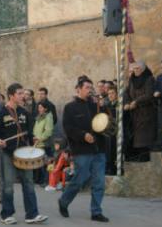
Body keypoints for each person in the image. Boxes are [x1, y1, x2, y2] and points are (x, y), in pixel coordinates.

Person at [0, 83, 48, 225]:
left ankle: (32, 214)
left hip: (24, 153)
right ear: (12, 96)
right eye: (20, 93)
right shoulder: (1, 114)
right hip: (7, 154)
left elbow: (29, 132)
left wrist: (33, 138)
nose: (23, 96)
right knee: (8, 185)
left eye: (23, 93)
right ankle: (7, 214)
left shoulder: (24, 113)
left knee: (28, 183)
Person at [58, 77, 109, 223]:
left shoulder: (95, 105)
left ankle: (96, 211)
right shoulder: (70, 107)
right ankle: (64, 201)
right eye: (87, 87)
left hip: (99, 148)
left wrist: (103, 107)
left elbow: (104, 122)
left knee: (99, 182)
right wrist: (83, 135)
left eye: (91, 88)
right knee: (80, 179)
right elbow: (68, 129)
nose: (90, 90)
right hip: (82, 150)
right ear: (78, 89)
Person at [124, 61, 156, 161]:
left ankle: (146, 157)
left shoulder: (149, 79)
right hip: (135, 114)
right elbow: (127, 93)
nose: (135, 71)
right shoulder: (132, 80)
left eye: (137, 68)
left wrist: (136, 102)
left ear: (143, 69)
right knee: (137, 138)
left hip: (146, 113)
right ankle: (140, 157)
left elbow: (149, 94)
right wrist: (127, 103)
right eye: (134, 69)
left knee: (145, 138)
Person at [33, 101, 54, 186]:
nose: (39, 109)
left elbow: (48, 131)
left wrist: (40, 139)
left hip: (44, 144)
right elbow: (36, 128)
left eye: (41, 107)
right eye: (38, 107)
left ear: (45, 108)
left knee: (46, 164)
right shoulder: (39, 117)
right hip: (37, 143)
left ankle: (47, 181)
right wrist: (34, 137)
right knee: (40, 163)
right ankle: (41, 180)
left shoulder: (48, 117)